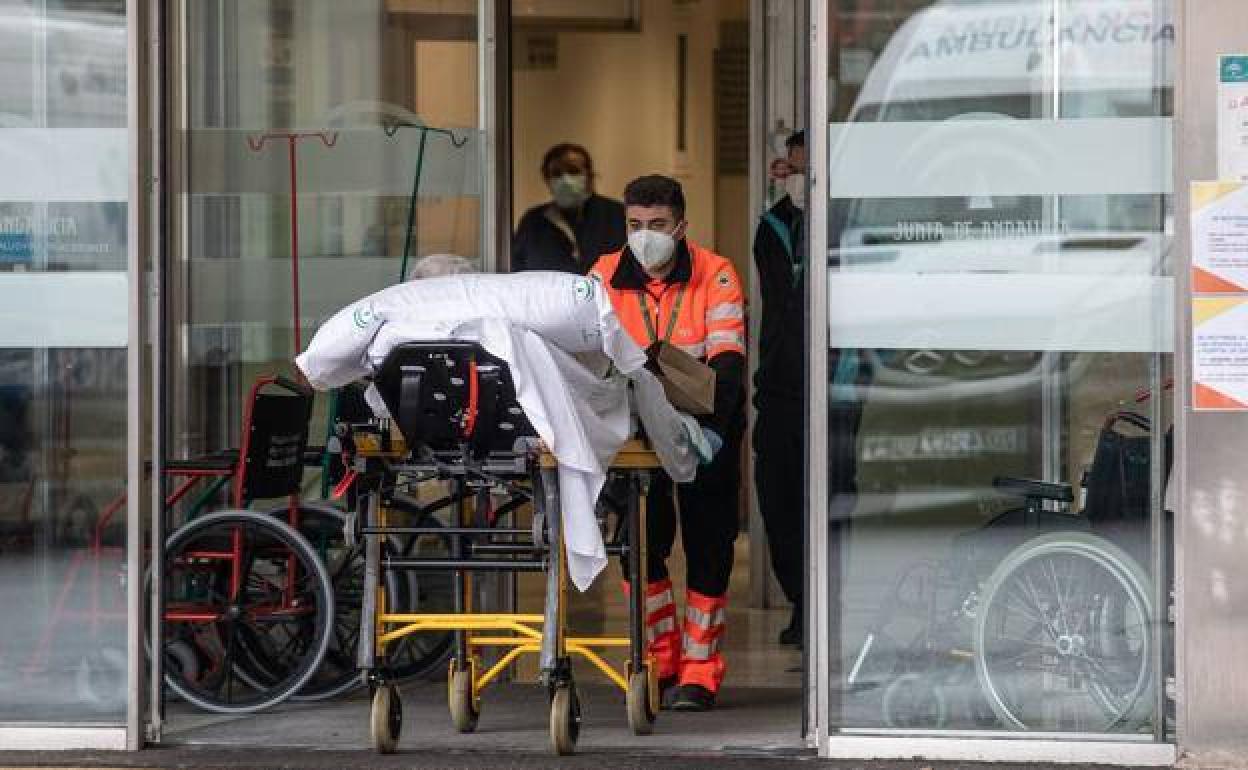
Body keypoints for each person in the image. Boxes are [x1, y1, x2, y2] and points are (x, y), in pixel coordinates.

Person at [590, 175, 746, 712]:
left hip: (702, 422)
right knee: (640, 545)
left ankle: (702, 668)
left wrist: (715, 434)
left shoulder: (716, 273)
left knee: (709, 543)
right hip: (632, 429)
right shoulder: (603, 276)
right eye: (635, 225)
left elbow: (728, 362)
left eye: (657, 226)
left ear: (681, 227)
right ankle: (660, 657)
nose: (645, 236)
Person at [752, 130, 866, 648]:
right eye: (792, 170)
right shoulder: (773, 226)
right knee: (778, 501)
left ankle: (828, 606)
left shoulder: (853, 227)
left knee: (833, 498)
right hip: (778, 388)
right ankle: (801, 597)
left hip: (835, 388)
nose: (798, 180)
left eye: (807, 171)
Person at [511, 143, 626, 274]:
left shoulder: (617, 215)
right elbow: (517, 271)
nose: (565, 180)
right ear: (547, 179)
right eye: (556, 173)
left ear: (589, 175)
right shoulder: (533, 222)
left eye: (573, 171)